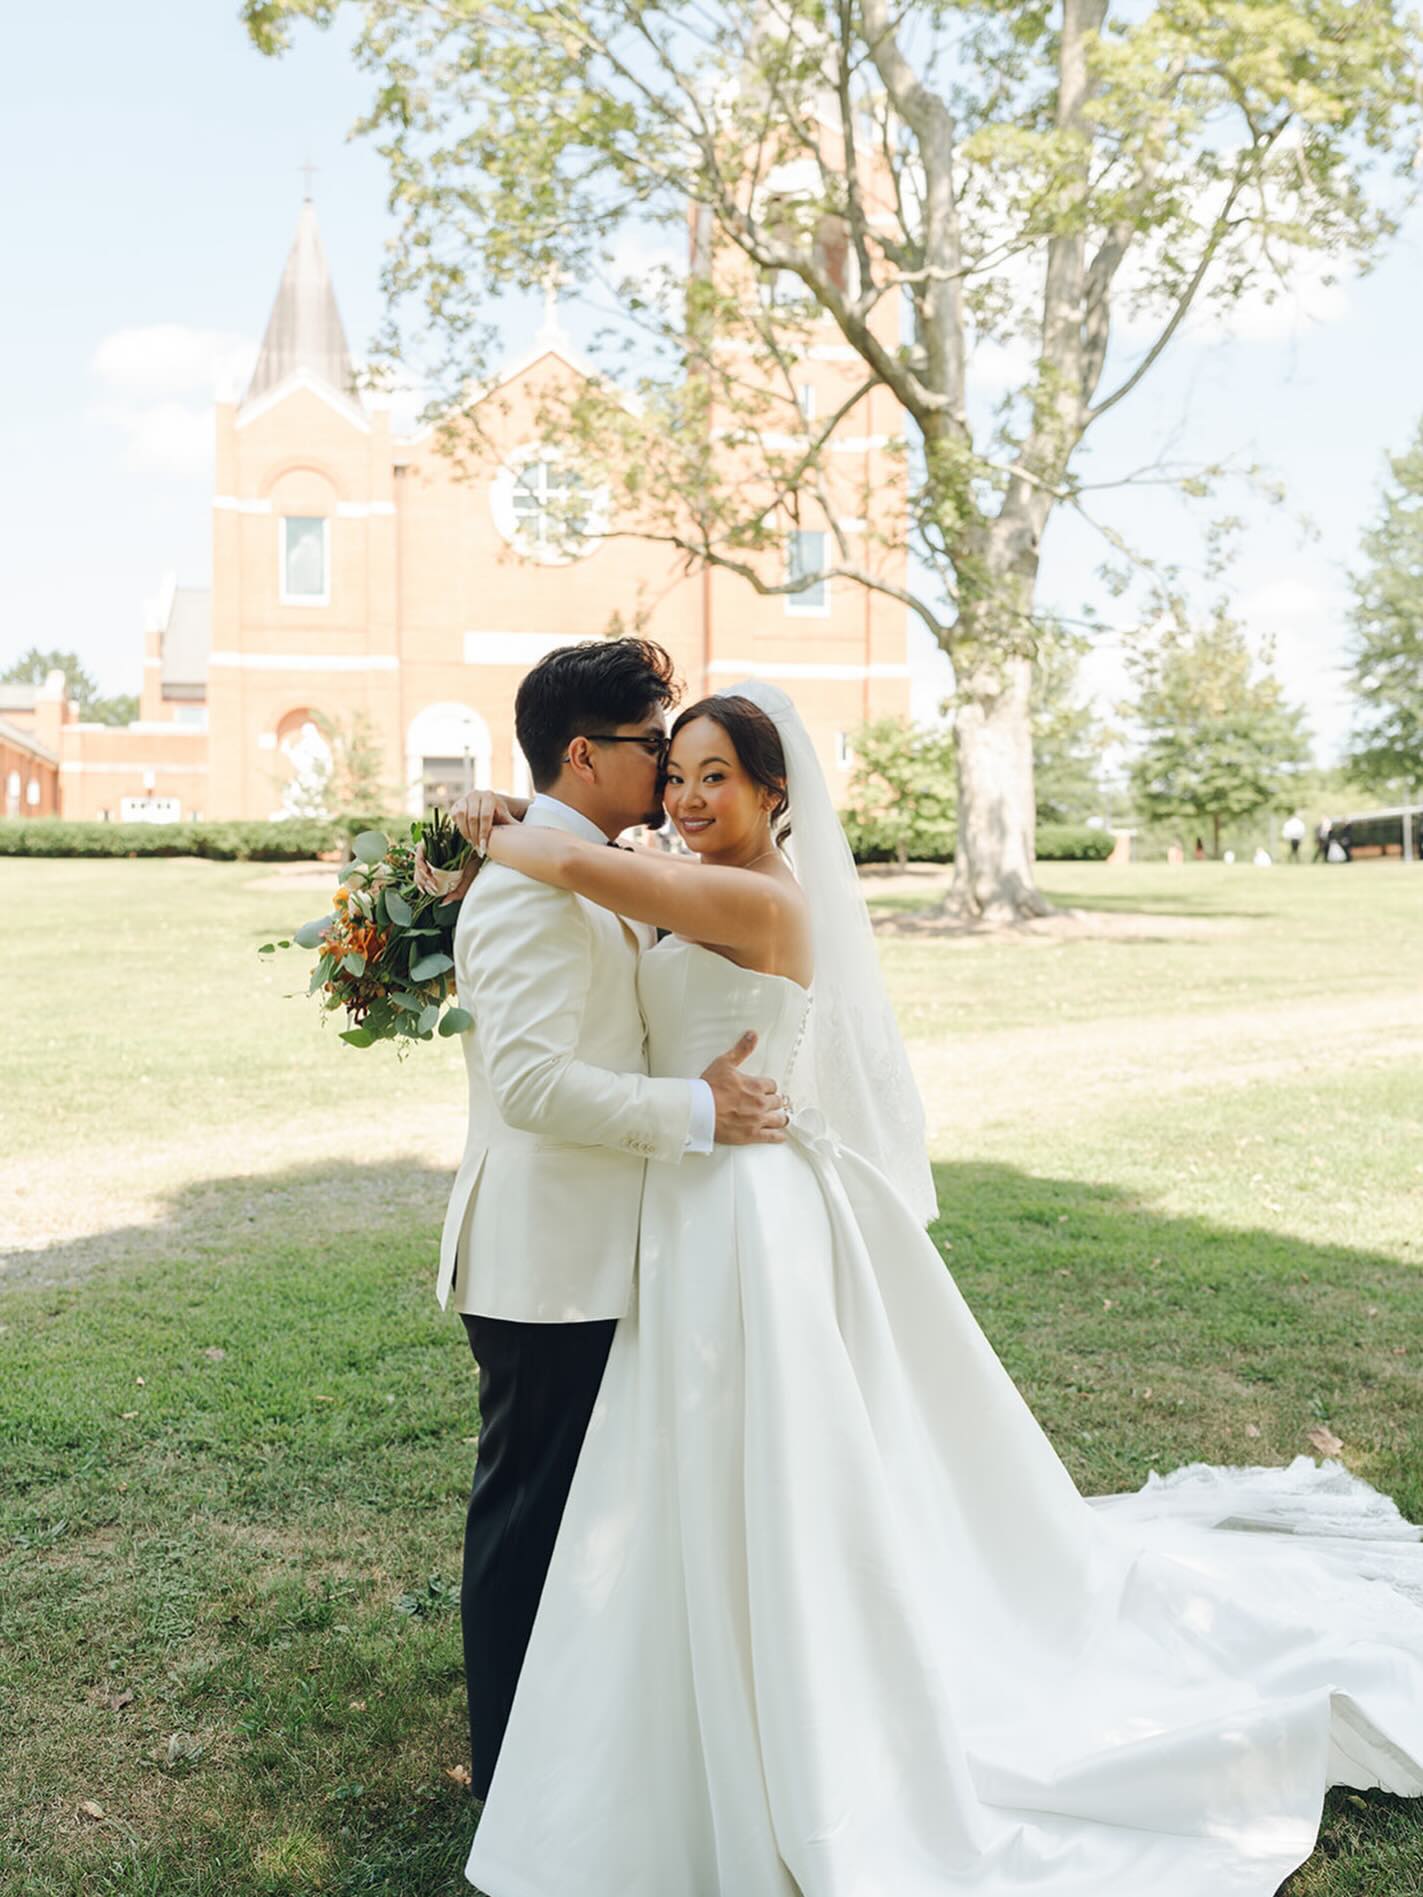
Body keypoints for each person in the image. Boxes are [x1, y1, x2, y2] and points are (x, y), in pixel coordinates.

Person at [455, 683, 1423, 1897]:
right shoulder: (680, 863)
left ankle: (798, 1722)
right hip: (695, 1199)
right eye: (677, 772)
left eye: (714, 776)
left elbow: (591, 874)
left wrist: (485, 819)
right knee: (699, 1468)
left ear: (775, 793)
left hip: (743, 1207)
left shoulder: (748, 895)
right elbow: (608, 905)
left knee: (766, 1467)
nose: (687, 796)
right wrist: (510, 824)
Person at [436, 639, 787, 1806]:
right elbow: (531, 1086)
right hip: (549, 1264)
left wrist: (486, 821)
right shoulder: (537, 884)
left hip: (625, 1247)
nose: (669, 777)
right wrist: (695, 1108)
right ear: (585, 755)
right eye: (653, 748)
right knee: (528, 1521)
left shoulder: (588, 861)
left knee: (592, 1516)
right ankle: (510, 1776)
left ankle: (582, 1740)